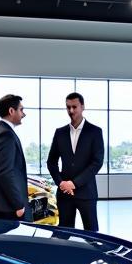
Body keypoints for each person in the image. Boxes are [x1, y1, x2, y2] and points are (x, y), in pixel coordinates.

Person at [47, 92, 104, 232]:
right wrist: (61, 183)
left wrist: (74, 183)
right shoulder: (60, 132)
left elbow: (97, 163)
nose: (71, 111)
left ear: (82, 107)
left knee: (92, 235)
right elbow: (51, 162)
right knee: (64, 235)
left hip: (86, 193)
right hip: (64, 193)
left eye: (74, 107)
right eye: (68, 107)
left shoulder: (95, 132)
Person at [0, 94, 30, 219]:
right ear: (11, 111)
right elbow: (5, 172)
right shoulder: (6, 135)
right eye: (21, 110)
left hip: (3, 205)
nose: (24, 114)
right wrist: (18, 205)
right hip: (9, 207)